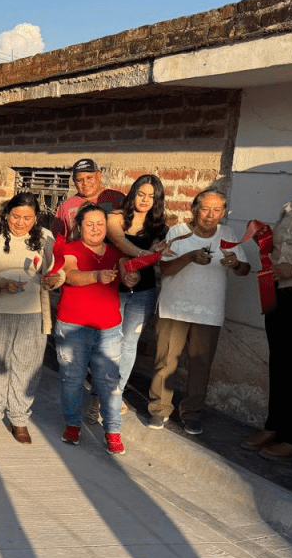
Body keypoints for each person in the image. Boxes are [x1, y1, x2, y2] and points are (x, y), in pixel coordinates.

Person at [147, 190, 249, 435]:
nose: (210, 215)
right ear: (194, 209)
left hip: (209, 310)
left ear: (223, 212)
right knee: (166, 362)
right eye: (205, 209)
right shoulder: (177, 232)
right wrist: (190, 257)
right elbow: (165, 269)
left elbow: (244, 270)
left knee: (201, 364)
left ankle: (192, 413)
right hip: (174, 308)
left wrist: (235, 263)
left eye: (217, 210)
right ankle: (159, 410)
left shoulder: (228, 234)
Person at [0, 193, 62, 445]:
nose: (20, 223)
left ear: (36, 218)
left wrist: (56, 279)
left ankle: (19, 417)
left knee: (27, 366)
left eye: (27, 218)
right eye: (15, 216)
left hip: (33, 314)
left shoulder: (45, 237)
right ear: (7, 214)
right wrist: (0, 283)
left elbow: (57, 269)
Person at [55, 203, 140, 455]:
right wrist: (95, 276)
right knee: (72, 379)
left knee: (110, 382)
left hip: (108, 328)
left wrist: (131, 278)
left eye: (100, 224)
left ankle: (113, 431)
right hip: (73, 326)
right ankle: (72, 424)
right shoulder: (70, 250)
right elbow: (69, 274)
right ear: (80, 226)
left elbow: (127, 276)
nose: (94, 229)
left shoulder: (116, 252)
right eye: (89, 224)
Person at [247, 152, 292, 460]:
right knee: (281, 361)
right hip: (280, 293)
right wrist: (263, 239)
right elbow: (278, 246)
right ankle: (276, 426)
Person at [103, 175, 169, 416]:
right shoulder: (115, 218)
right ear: (133, 194)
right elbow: (120, 243)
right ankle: (102, 388)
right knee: (110, 340)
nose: (145, 200)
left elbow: (159, 256)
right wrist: (146, 255)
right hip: (114, 287)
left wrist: (147, 261)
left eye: (152, 196)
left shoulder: (160, 227)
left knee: (129, 344)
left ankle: (116, 392)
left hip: (144, 290)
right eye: (141, 194)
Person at [51, 158, 125, 241]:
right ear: (74, 181)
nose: (85, 183)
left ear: (99, 175)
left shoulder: (117, 198)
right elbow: (58, 240)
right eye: (79, 180)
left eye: (89, 178)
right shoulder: (66, 207)